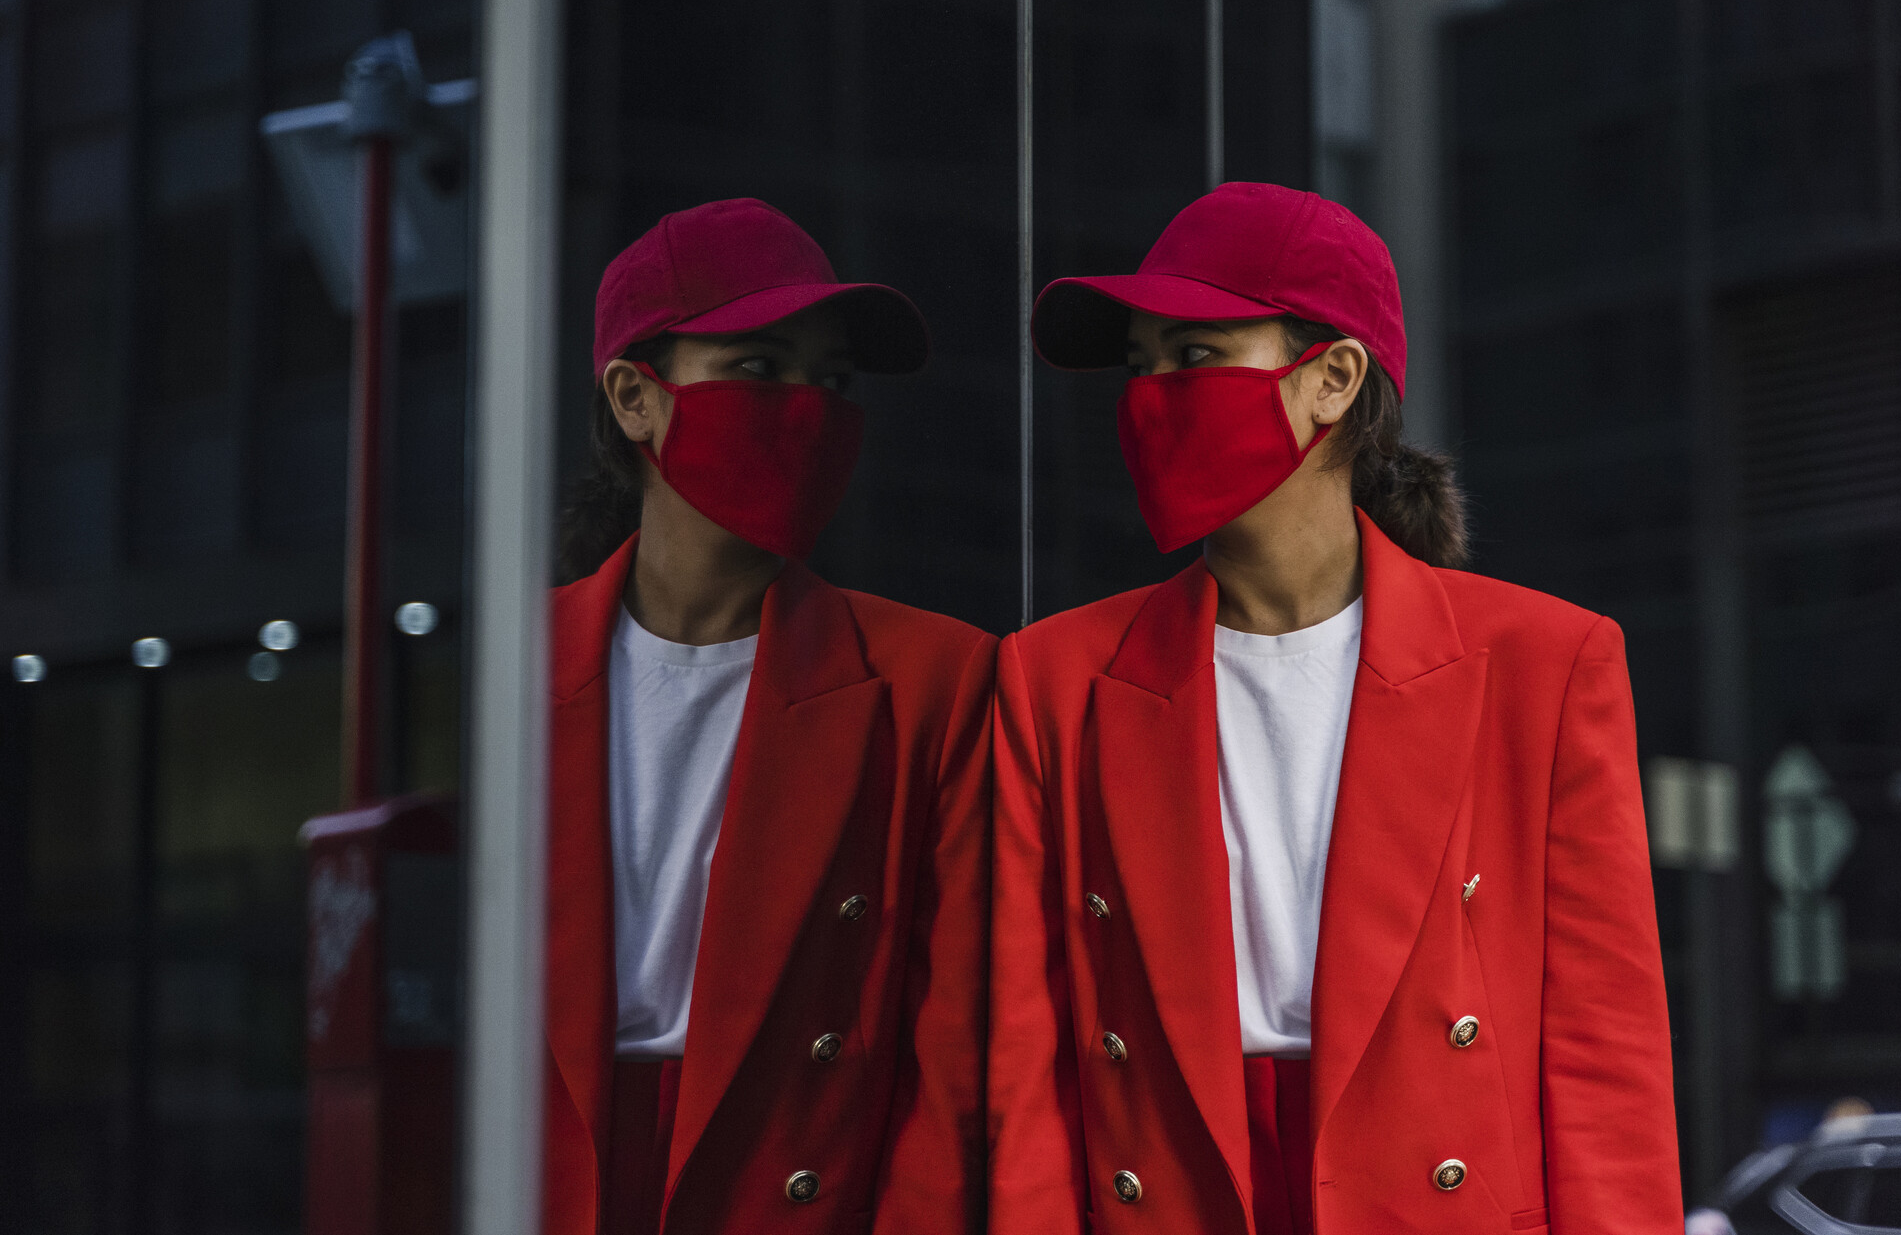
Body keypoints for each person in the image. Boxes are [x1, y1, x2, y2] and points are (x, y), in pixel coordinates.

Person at [988, 182, 1682, 1234]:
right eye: (1139, 367)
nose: (1149, 397)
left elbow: (1601, 1057)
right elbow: (1025, 1067)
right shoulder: (1052, 679)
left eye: (1193, 357)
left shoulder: (1545, 663)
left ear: (1331, 381)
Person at [546, 199, 994, 1235]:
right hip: (556, 1175)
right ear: (634, 399)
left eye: (827, 381)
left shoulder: (932, 679)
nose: (804, 408)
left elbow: (952, 1051)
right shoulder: (515, 671)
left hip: (788, 1187)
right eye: (756, 369)